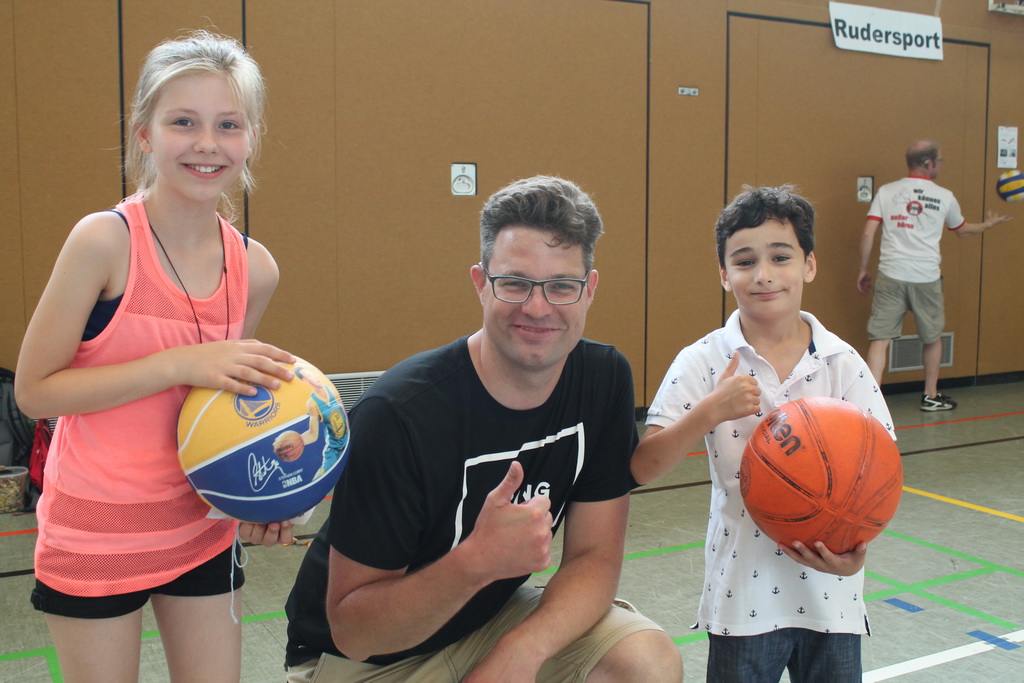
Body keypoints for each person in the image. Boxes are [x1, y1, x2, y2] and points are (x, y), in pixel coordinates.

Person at [284, 176, 682, 682]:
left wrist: (521, 653)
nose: (538, 307)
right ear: (480, 282)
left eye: (562, 286)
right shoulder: (398, 415)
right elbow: (356, 633)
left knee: (645, 663)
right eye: (515, 283)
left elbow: (595, 557)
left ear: (590, 290)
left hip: (487, 623)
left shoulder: (603, 378)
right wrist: (477, 560)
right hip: (363, 659)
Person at [15, 31, 298, 681]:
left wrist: (265, 495)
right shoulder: (103, 242)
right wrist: (179, 364)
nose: (207, 143)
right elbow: (34, 390)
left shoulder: (254, 268)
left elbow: (222, 409)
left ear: (251, 138)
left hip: (200, 530)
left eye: (228, 124)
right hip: (95, 537)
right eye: (183, 122)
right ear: (144, 133)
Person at [632, 186, 895, 682]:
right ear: (724, 274)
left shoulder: (841, 361)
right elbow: (642, 467)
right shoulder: (704, 360)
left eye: (780, 257)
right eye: (745, 261)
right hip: (742, 596)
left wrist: (857, 551)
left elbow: (882, 470)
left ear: (809, 265)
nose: (763, 274)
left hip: (832, 597)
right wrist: (708, 412)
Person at [856, 139, 1013, 411]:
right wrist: (988, 225)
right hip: (926, 278)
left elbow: (868, 233)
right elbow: (962, 230)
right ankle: (930, 396)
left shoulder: (886, 192)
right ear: (928, 163)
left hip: (891, 274)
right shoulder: (944, 196)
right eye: (939, 161)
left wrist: (863, 268)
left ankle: (872, 403)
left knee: (879, 340)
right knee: (932, 338)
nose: (940, 165)